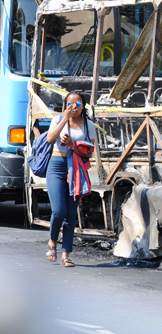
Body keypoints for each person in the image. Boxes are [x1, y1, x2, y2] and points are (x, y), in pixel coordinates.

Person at [45, 91, 96, 267]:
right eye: (70, 104)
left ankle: (66, 255)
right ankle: (52, 240)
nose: (73, 107)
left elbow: (89, 153)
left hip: (75, 169)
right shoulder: (58, 120)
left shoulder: (88, 125)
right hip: (57, 166)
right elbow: (50, 139)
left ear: (83, 107)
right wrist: (65, 119)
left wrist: (72, 145)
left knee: (70, 214)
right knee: (58, 211)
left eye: (78, 104)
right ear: (65, 105)